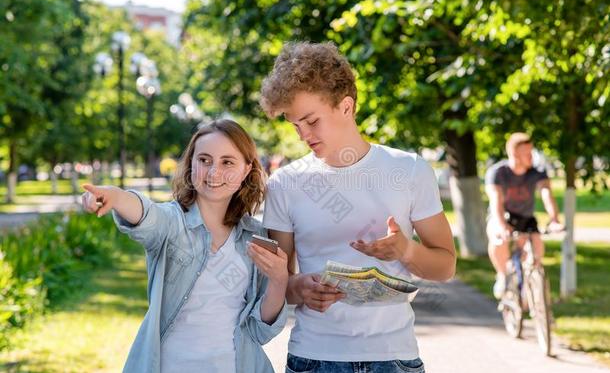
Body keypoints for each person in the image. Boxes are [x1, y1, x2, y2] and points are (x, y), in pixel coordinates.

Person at [259, 41, 456, 373]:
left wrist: (405, 251)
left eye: (311, 121)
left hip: (394, 358)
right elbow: (278, 283)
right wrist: (301, 288)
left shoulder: (408, 170)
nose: (303, 135)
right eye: (295, 126)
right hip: (315, 358)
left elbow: (445, 266)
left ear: (346, 107)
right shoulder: (285, 183)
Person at [81, 119, 288, 373]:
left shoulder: (254, 236)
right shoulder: (171, 223)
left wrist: (279, 280)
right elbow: (146, 213)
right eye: (204, 160)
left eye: (227, 162)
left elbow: (260, 329)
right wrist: (114, 195)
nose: (214, 172)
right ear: (191, 165)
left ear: (246, 169)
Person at [485, 132, 563, 299]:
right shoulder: (498, 173)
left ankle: (533, 292)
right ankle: (502, 275)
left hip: (526, 218)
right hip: (502, 217)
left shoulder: (537, 172)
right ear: (514, 155)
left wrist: (555, 219)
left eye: (531, 152)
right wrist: (501, 225)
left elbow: (546, 194)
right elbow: (496, 200)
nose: (531, 157)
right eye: (527, 153)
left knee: (536, 253)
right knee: (498, 240)